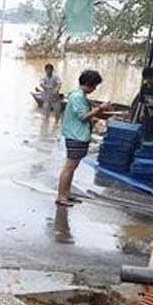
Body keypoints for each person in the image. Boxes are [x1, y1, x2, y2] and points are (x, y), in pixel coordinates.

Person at [58, 70, 111, 207]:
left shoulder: (80, 96)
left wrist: (101, 112)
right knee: (69, 167)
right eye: (94, 86)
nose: (94, 89)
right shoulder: (78, 97)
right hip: (76, 135)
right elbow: (83, 116)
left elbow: (88, 115)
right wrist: (100, 108)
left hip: (78, 134)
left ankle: (66, 193)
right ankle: (62, 196)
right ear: (89, 84)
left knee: (71, 167)